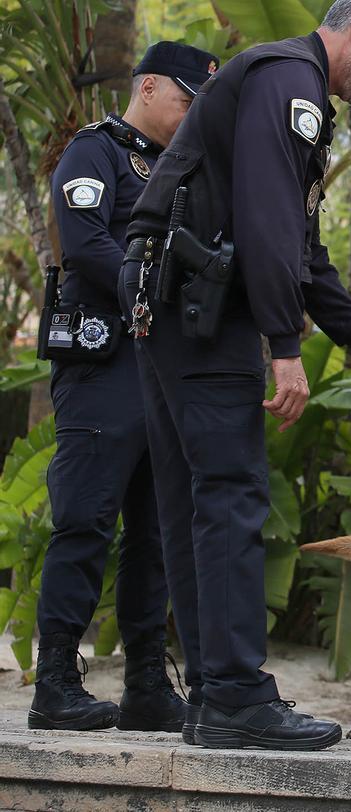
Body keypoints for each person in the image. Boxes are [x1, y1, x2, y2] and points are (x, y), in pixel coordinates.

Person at [119, 0, 351, 751]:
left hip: (172, 307)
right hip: (204, 313)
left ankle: (211, 693)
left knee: (193, 503)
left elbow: (301, 245)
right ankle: (232, 693)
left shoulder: (275, 83)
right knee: (230, 495)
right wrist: (282, 345)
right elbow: (266, 220)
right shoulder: (288, 81)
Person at [31, 42, 220, 733]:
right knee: (84, 519)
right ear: (147, 86)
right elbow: (84, 243)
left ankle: (146, 684)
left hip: (159, 368)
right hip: (102, 361)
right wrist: (154, 294)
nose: (193, 114)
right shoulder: (97, 151)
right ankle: (55, 682)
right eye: (186, 100)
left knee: (155, 532)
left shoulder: (187, 169)